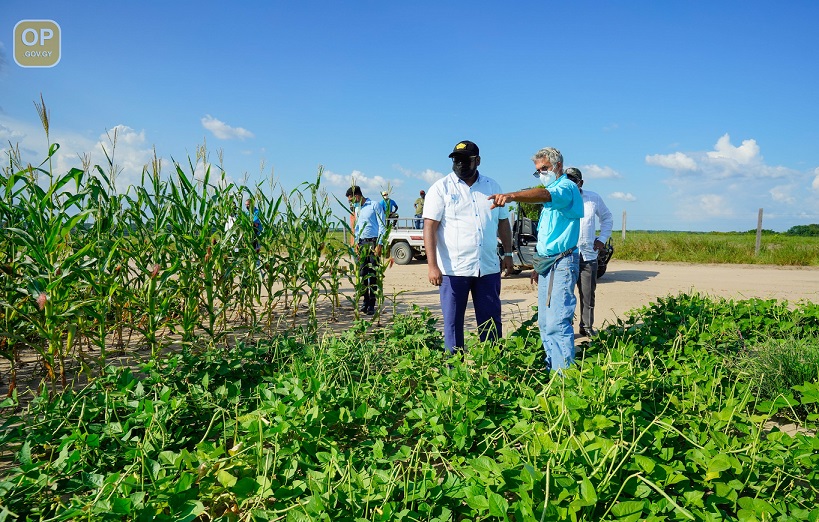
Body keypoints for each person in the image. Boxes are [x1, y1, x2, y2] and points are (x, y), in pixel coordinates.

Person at [488, 147, 583, 373]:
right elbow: (548, 236)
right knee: (545, 322)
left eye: (545, 168)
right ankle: (552, 368)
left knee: (557, 322)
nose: (541, 174)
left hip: (562, 263)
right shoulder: (551, 195)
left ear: (558, 166)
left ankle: (563, 378)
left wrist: (512, 196)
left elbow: (545, 195)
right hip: (548, 263)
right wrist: (538, 265)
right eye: (538, 171)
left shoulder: (565, 188)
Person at [423, 140, 513, 353]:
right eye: (456, 160)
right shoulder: (441, 188)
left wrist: (508, 253)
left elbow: (503, 222)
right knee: (453, 323)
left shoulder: (492, 187)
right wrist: (432, 266)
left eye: (465, 160)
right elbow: (430, 227)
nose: (460, 164)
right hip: (453, 270)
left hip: (487, 268)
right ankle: (454, 369)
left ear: (477, 161)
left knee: (491, 322)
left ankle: (491, 364)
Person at [565, 167, 613, 338]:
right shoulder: (561, 199)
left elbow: (607, 217)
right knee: (565, 295)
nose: (570, 183)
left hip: (588, 255)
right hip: (566, 256)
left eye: (573, 180)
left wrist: (602, 239)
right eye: (567, 180)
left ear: (581, 182)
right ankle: (566, 328)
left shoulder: (593, 198)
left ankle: (586, 326)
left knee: (587, 294)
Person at [346, 185, 387, 315]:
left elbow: (382, 225)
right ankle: (365, 301)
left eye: (351, 200)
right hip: (362, 243)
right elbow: (357, 227)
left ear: (357, 196)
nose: (351, 203)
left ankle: (372, 305)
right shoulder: (357, 209)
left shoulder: (374, 205)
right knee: (363, 273)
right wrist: (356, 242)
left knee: (373, 274)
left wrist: (379, 244)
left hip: (373, 242)